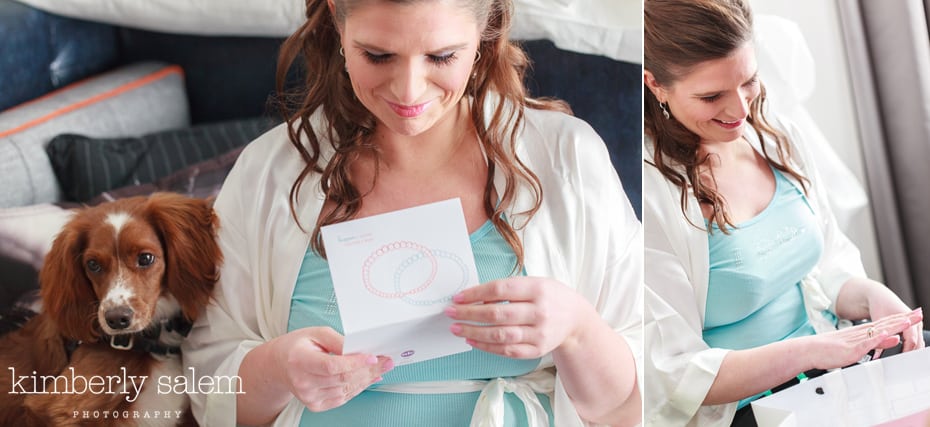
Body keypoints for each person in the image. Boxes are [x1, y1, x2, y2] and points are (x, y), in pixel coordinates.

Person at [182, 0, 642, 425]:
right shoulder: (268, 169)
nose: (408, 91)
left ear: (486, 32)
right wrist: (278, 369)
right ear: (337, 25)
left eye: (442, 57)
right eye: (377, 56)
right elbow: (205, 389)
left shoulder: (568, 157)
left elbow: (637, 401)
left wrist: (578, 330)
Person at [642, 0, 925, 425]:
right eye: (712, 96)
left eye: (748, 82)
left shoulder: (775, 137)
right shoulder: (649, 195)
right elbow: (675, 374)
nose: (740, 110)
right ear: (656, 85)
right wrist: (810, 353)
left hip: (831, 369)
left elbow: (826, 266)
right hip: (746, 408)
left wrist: (872, 297)